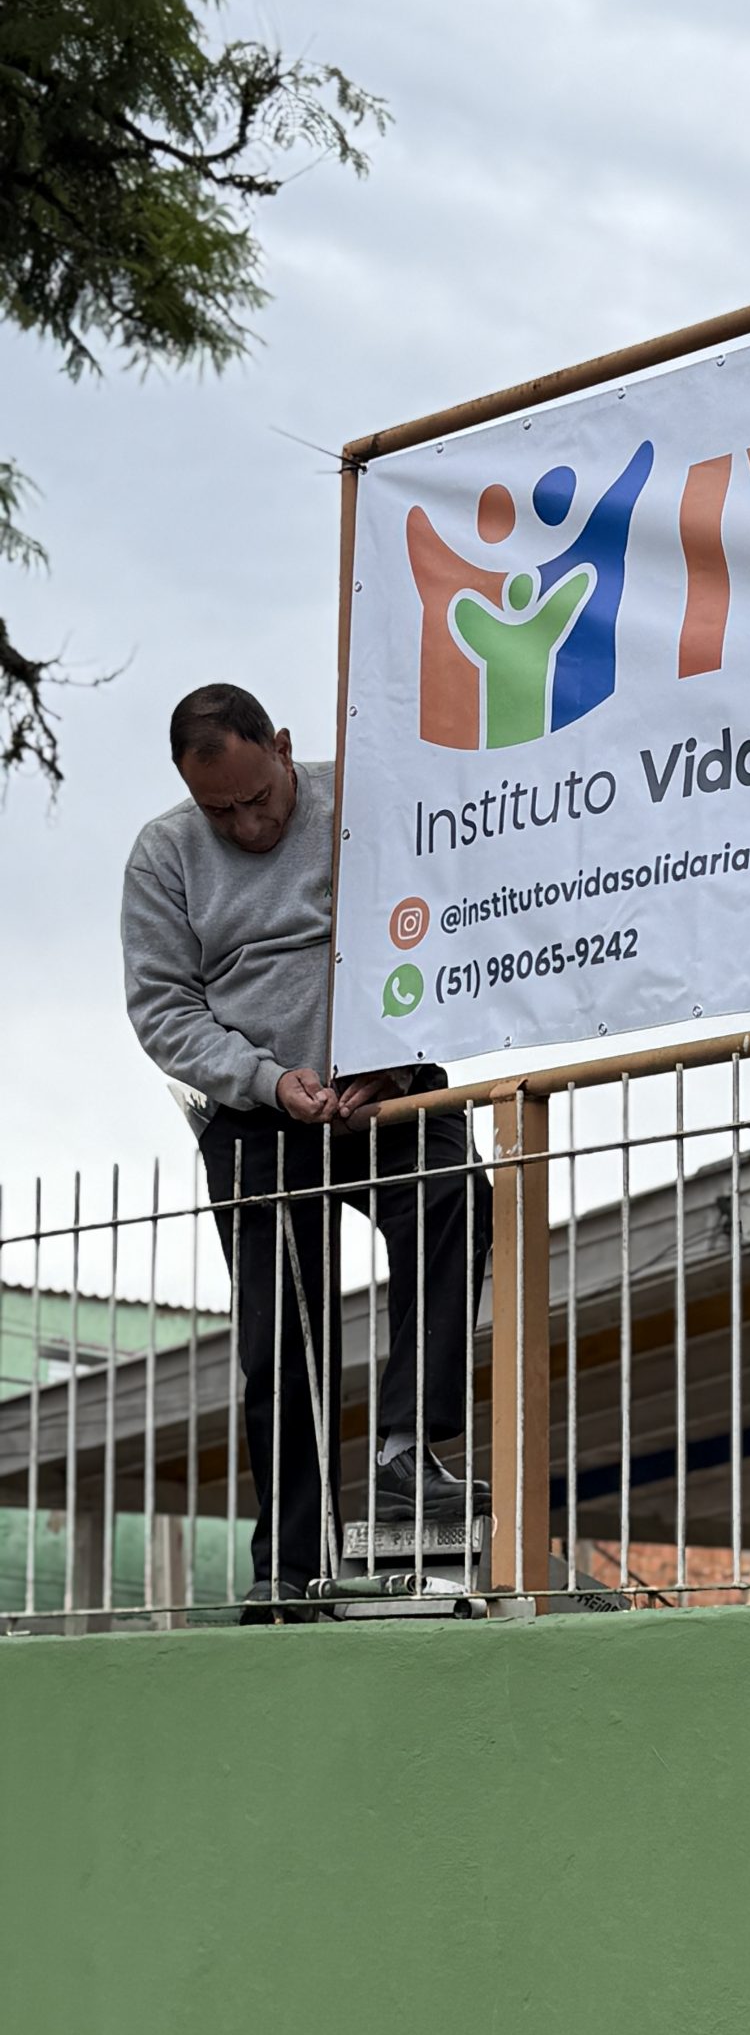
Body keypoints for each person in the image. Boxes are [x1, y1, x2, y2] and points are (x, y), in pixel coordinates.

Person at [121, 684, 492, 1617]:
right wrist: (265, 1080)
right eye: (221, 812)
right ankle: (290, 1565)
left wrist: (393, 1055)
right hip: (258, 1113)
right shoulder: (164, 856)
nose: (247, 827)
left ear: (284, 748)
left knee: (451, 1190)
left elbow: (443, 925)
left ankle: (407, 1447)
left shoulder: (369, 805)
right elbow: (164, 1009)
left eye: (259, 798)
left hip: (389, 1084)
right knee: (282, 1337)